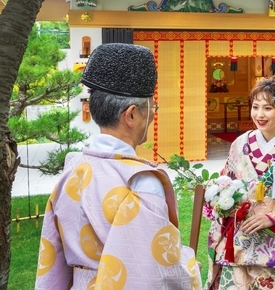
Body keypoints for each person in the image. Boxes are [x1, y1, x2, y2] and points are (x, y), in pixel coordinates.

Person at [35, 43, 202, 290]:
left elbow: (53, 255)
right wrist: (188, 264)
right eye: (152, 107)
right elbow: (153, 274)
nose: (154, 115)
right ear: (132, 115)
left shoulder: (74, 168)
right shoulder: (140, 183)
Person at [204, 76, 275, 290]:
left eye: (268, 108)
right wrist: (221, 201)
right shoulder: (240, 144)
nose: (259, 114)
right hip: (241, 238)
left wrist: (273, 219)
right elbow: (226, 180)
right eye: (255, 107)